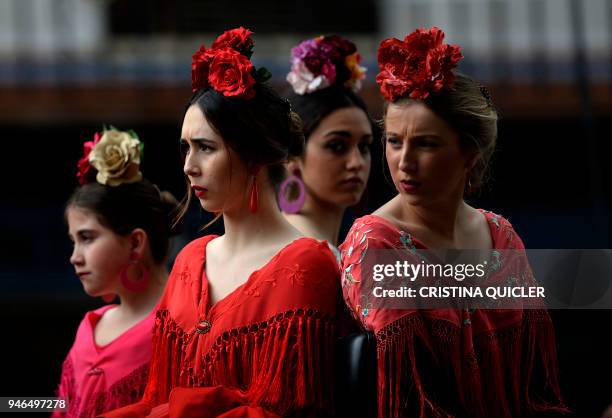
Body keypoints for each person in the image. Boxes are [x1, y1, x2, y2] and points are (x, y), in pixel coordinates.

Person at [102, 27, 339, 418]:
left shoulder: (305, 265)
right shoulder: (190, 260)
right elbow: (156, 399)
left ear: (255, 154)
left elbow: (287, 408)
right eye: (186, 148)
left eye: (206, 148)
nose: (188, 166)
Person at [339, 27, 567, 418]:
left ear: (469, 153)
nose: (404, 162)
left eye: (426, 144)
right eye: (394, 141)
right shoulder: (375, 241)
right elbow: (409, 398)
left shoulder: (501, 236)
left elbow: (533, 384)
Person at [55, 128, 178, 417]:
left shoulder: (182, 328)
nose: (74, 257)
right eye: (74, 242)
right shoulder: (90, 328)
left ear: (135, 242)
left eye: (87, 238)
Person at [283, 35, 374, 258]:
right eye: (336, 146)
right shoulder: (311, 255)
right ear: (293, 155)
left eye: (364, 146)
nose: (356, 163)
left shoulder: (282, 238)